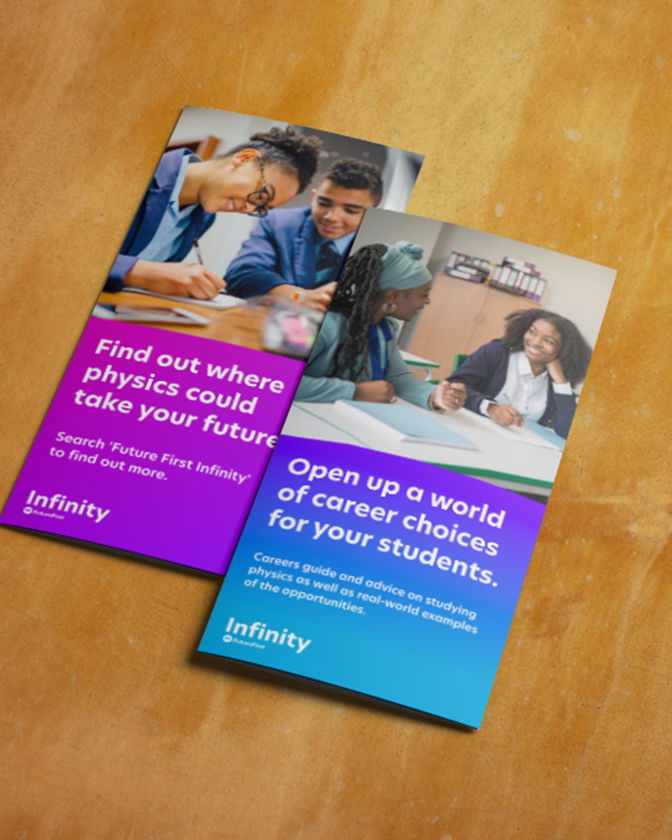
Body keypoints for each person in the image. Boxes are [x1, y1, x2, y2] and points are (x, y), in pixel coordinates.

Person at [105, 127, 321, 300]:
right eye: (261, 196)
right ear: (244, 159)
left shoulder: (204, 218)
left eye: (261, 209)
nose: (248, 209)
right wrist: (138, 272)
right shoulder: (129, 168)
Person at [295, 241, 467, 410]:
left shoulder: (384, 329)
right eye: (423, 295)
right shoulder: (322, 323)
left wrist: (435, 396)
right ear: (392, 296)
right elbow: (280, 379)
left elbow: (397, 376)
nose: (427, 301)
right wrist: (355, 392)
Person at [224, 158, 383, 312]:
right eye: (323, 203)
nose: (331, 217)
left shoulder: (381, 248)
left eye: (351, 210)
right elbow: (242, 273)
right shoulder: (278, 223)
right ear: (314, 197)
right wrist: (299, 297)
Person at [447, 309, 592, 439]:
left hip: (521, 448)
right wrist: (491, 408)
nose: (535, 342)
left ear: (563, 350)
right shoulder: (496, 352)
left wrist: (561, 381)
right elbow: (454, 387)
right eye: (532, 332)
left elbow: (567, 432)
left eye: (548, 341)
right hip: (472, 433)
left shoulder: (555, 381)